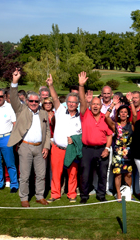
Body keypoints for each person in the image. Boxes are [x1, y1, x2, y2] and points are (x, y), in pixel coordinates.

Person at [7, 68, 51, 207]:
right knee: (25, 176)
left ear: (39, 101)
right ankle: (24, 198)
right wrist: (15, 81)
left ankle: (39, 196)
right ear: (26, 101)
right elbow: (13, 97)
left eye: (36, 101)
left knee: (41, 175)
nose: (33, 103)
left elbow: (48, 131)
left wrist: (46, 146)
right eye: (31, 101)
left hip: (40, 148)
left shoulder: (43, 113)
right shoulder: (21, 110)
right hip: (25, 147)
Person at [78, 72, 114, 204]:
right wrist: (81, 86)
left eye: (98, 104)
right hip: (87, 149)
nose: (95, 106)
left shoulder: (105, 118)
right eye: (93, 104)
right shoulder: (85, 114)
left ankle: (101, 194)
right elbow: (82, 100)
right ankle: (84, 196)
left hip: (101, 149)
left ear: (101, 106)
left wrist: (107, 149)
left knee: (102, 174)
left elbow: (109, 135)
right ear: (90, 105)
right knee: (85, 173)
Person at [46, 75, 82, 203]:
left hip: (72, 150)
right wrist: (50, 85)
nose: (72, 104)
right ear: (66, 103)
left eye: (74, 102)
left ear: (77, 104)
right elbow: (55, 98)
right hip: (58, 149)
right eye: (70, 101)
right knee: (56, 173)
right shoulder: (60, 110)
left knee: (72, 173)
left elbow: (83, 134)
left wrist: (75, 139)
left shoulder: (80, 117)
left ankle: (71, 194)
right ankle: (55, 194)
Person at [105, 94, 136, 201]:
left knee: (128, 174)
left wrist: (131, 101)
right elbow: (106, 116)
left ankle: (129, 193)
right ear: (118, 114)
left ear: (128, 114)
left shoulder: (131, 125)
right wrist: (113, 104)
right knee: (118, 174)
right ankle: (118, 194)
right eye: (121, 112)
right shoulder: (115, 125)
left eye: (125, 112)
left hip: (128, 152)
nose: (123, 114)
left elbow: (135, 115)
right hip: (117, 153)